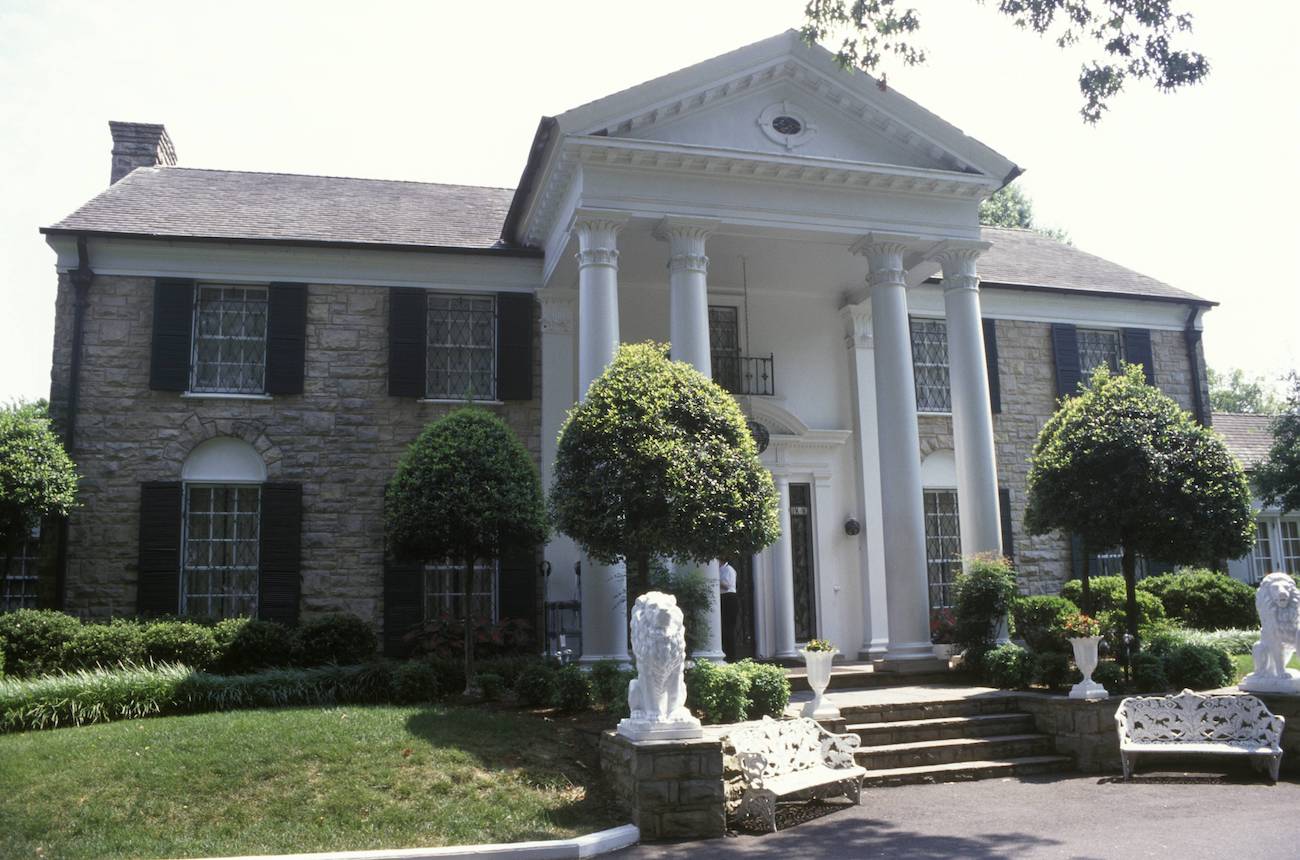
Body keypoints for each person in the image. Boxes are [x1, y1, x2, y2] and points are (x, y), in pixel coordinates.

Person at [719, 558, 739, 660]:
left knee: (728, 629)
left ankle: (731, 657)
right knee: (723, 628)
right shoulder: (720, 569)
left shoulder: (728, 569)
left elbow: (727, 586)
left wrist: (714, 579)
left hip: (729, 598)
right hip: (723, 598)